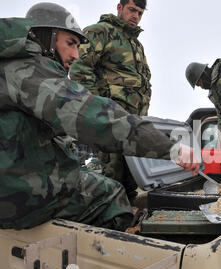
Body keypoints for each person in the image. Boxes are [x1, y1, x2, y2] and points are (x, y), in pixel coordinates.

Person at [0, 3, 200, 232]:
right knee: (112, 193)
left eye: (140, 12)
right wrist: (172, 148)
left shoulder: (11, 64)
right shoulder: (29, 69)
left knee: (109, 179)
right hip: (17, 194)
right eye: (70, 44)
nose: (75, 55)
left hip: (15, 176)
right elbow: (87, 113)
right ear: (47, 35)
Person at [69, 0, 152, 201]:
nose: (136, 16)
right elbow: (79, 69)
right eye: (132, 10)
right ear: (119, 7)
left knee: (130, 182)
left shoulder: (136, 45)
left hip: (133, 123)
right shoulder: (100, 32)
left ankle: (128, 225)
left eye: (140, 13)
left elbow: (142, 82)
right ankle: (105, 228)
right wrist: (97, 108)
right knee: (110, 180)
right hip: (109, 121)